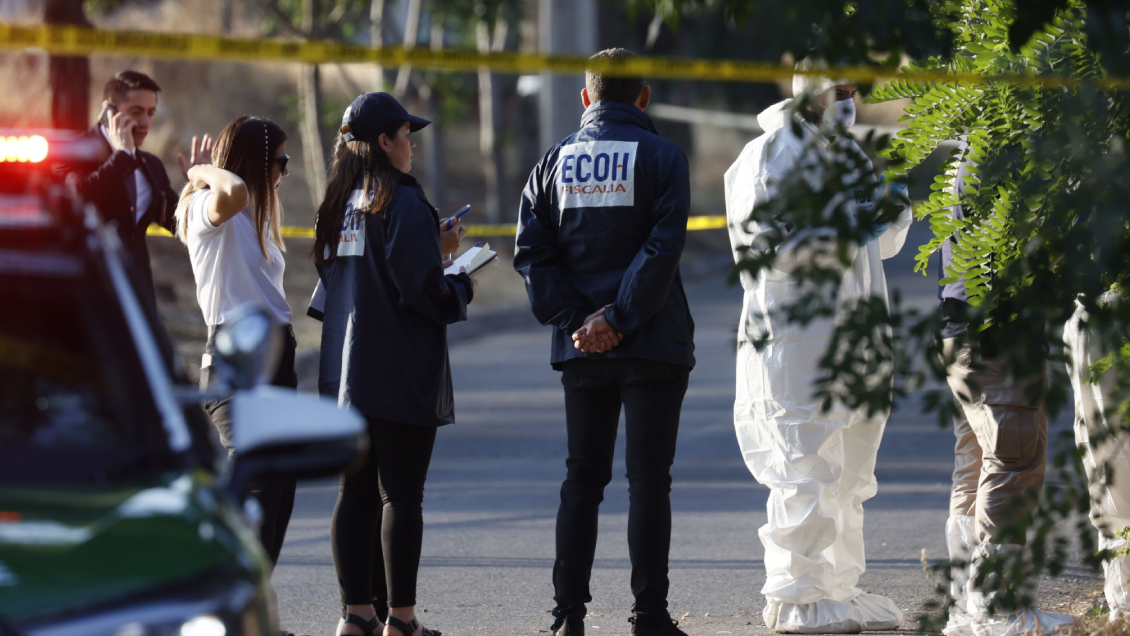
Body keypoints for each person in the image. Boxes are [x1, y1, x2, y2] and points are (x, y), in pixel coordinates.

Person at [722, 62, 913, 633]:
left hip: (854, 336)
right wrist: (845, 226)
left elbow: (872, 249)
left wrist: (889, 217)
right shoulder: (766, 155)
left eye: (854, 91)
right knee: (803, 468)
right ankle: (797, 598)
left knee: (851, 476)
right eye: (839, 91)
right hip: (797, 340)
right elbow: (766, 249)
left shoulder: (849, 156)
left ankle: (840, 589)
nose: (849, 102)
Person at [514, 48, 696, 636]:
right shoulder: (665, 157)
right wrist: (618, 317)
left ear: (587, 99)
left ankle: (568, 617)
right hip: (653, 343)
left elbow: (532, 254)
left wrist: (578, 322)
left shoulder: (551, 163)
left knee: (582, 480)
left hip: (582, 351)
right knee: (649, 482)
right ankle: (650, 617)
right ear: (642, 96)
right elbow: (662, 248)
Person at [313, 92, 474, 636]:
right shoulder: (400, 199)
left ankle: (354, 617)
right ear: (385, 141)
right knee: (401, 495)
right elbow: (422, 292)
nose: (411, 145)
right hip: (400, 368)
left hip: (346, 374)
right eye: (407, 135)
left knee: (352, 494)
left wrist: (433, 246)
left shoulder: (340, 203)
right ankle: (400, 622)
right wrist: (461, 282)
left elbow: (332, 290)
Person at [937, 155, 1075, 636]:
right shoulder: (1008, 146)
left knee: (976, 466)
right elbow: (1028, 247)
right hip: (998, 336)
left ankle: (966, 607)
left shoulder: (973, 147)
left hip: (962, 333)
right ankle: (999, 609)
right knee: (1012, 464)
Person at [173, 116, 300, 623]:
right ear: (254, 160)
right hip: (235, 364)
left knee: (279, 498)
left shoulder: (255, 218)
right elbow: (236, 190)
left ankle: (246, 616)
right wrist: (203, 170)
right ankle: (222, 613)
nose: (285, 173)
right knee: (258, 495)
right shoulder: (209, 206)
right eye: (281, 162)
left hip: (276, 360)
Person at [72, 70, 211, 310]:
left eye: (150, 113)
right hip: (89, 297)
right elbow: (78, 200)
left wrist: (200, 187)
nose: (146, 123)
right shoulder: (77, 151)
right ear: (109, 111)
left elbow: (179, 224)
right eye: (136, 112)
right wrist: (122, 157)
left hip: (137, 298)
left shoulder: (150, 166)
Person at [1065, 290, 1130, 621]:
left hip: (1101, 311)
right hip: (1105, 312)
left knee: (1109, 455)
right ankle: (1123, 598)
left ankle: (1122, 599)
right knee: (1111, 457)